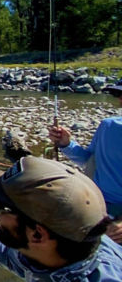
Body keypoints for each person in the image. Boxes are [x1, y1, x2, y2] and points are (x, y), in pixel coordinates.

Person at [48, 79, 122, 242]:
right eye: (119, 94)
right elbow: (89, 160)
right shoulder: (108, 126)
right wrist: (66, 144)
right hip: (95, 206)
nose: (120, 99)